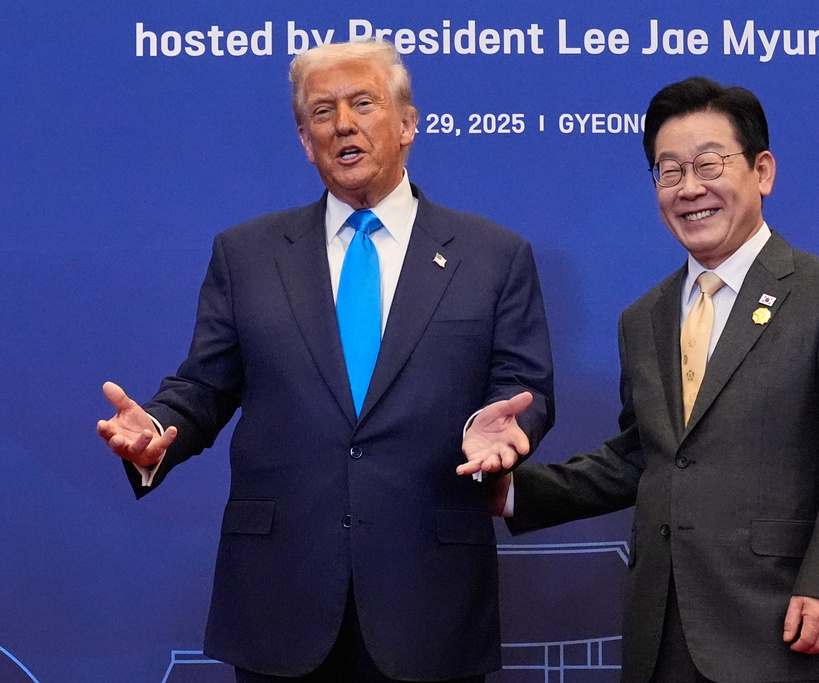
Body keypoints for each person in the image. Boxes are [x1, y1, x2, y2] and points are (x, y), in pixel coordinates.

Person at [96, 40, 554, 683]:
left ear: (406, 123)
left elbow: (523, 384)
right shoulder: (247, 254)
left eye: (363, 103)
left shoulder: (493, 255)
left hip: (428, 592)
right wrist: (156, 433)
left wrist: (505, 429)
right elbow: (203, 383)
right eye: (322, 111)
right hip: (280, 595)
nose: (343, 123)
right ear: (306, 140)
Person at [468, 77, 819, 683]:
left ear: (763, 171)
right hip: (661, 628)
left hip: (780, 620)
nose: (690, 188)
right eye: (669, 172)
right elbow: (645, 459)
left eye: (709, 164)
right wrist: (509, 491)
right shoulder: (643, 317)